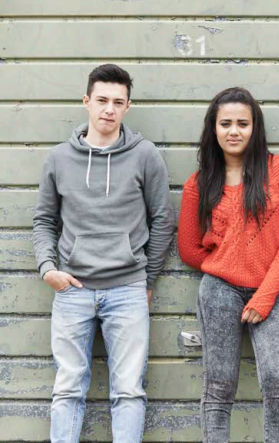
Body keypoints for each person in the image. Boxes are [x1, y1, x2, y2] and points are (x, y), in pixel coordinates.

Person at [32, 63, 174, 443]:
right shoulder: (59, 158)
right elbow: (44, 221)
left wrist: (146, 280)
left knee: (128, 391)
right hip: (72, 289)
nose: (109, 109)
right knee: (67, 389)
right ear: (86, 102)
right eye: (102, 100)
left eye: (118, 102)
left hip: (127, 290)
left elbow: (162, 221)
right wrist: (48, 270)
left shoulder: (145, 156)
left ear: (128, 106)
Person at [177, 87, 279, 443]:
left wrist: (264, 294)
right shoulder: (198, 184)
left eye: (243, 123)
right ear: (214, 128)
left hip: (274, 291)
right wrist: (226, 266)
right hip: (220, 292)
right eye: (226, 123)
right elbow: (189, 249)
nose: (234, 131)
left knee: (278, 380)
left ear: (255, 128)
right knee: (218, 384)